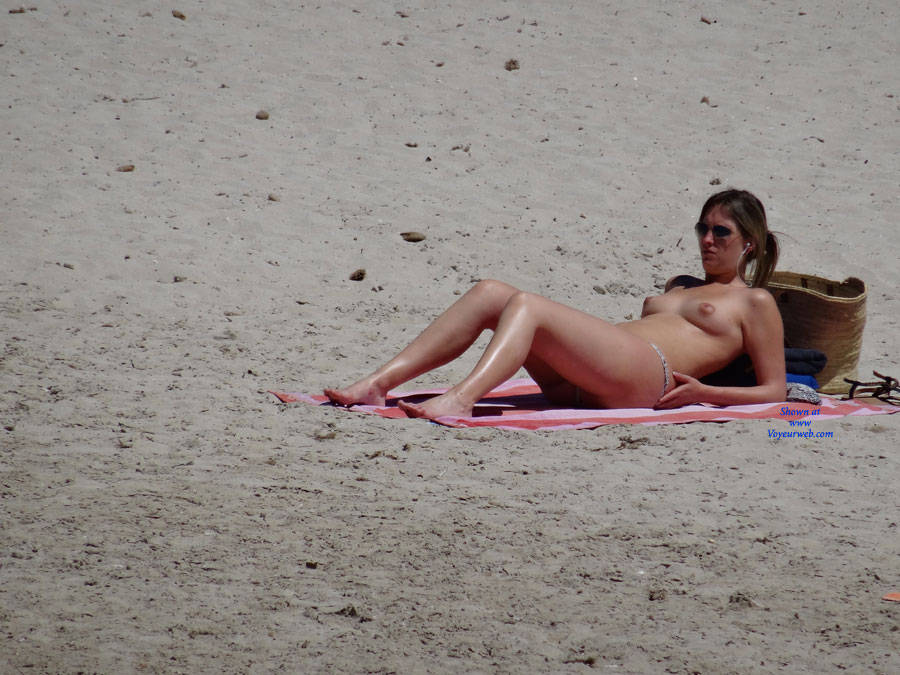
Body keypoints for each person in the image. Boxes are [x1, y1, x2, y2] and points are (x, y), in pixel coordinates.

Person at [325, 189, 786, 419]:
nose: (707, 240)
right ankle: (377, 384)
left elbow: (775, 391)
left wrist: (706, 394)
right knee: (491, 292)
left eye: (721, 232)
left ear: (749, 243)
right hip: (587, 379)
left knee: (528, 305)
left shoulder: (754, 301)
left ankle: (461, 400)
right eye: (703, 229)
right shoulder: (680, 286)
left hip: (647, 379)